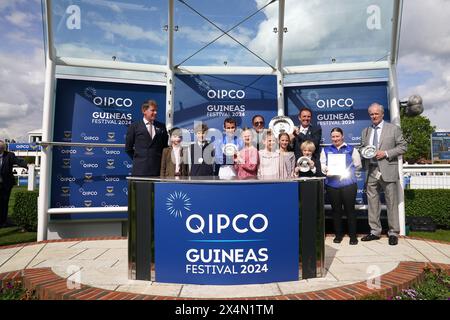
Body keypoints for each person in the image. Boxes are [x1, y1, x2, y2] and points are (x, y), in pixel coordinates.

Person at [360, 103, 407, 246]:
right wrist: (363, 151)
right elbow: (362, 147)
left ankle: (393, 232)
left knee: (391, 202)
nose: (373, 116)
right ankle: (375, 231)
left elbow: (403, 146)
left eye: (376, 114)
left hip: (388, 169)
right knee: (373, 203)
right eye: (371, 114)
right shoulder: (365, 131)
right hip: (372, 170)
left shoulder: (393, 129)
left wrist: (386, 153)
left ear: (382, 114)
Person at [320, 128, 362, 245]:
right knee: (336, 211)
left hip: (348, 184)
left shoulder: (351, 149)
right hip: (332, 184)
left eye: (337, 136)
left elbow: (358, 165)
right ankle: (338, 235)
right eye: (333, 137)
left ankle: (353, 236)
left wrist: (347, 172)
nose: (335, 139)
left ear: (342, 136)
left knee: (350, 211)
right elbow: (323, 165)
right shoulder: (326, 150)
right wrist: (326, 169)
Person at [125, 100, 168, 176]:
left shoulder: (161, 127)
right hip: (140, 170)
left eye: (156, 110)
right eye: (153, 110)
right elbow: (128, 148)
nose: (155, 113)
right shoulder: (134, 126)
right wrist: (139, 159)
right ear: (144, 111)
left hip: (157, 170)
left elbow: (164, 147)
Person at [0, 140, 27, 227]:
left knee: (4, 203)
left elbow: (18, 161)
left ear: (3, 148)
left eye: (1, 147)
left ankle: (3, 221)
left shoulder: (10, 155)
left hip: (6, 184)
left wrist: (28, 165)